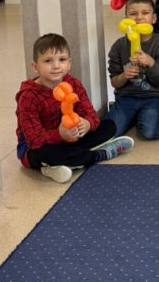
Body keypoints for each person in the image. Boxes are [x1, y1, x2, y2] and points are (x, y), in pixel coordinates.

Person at [15, 33, 133, 183]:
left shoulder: (74, 83)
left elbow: (91, 115)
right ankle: (100, 154)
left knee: (109, 126)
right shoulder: (28, 96)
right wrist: (59, 134)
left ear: (69, 64)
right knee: (46, 153)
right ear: (35, 67)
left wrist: (87, 124)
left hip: (71, 139)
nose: (56, 66)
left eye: (62, 60)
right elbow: (34, 140)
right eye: (48, 61)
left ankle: (66, 161)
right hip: (38, 147)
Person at [106, 0, 159, 139]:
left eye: (145, 13)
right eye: (133, 14)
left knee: (150, 132)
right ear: (126, 19)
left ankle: (148, 115)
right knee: (109, 132)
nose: (139, 17)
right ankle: (130, 115)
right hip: (127, 96)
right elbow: (114, 82)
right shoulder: (118, 46)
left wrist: (151, 63)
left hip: (154, 96)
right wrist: (124, 75)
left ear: (154, 18)